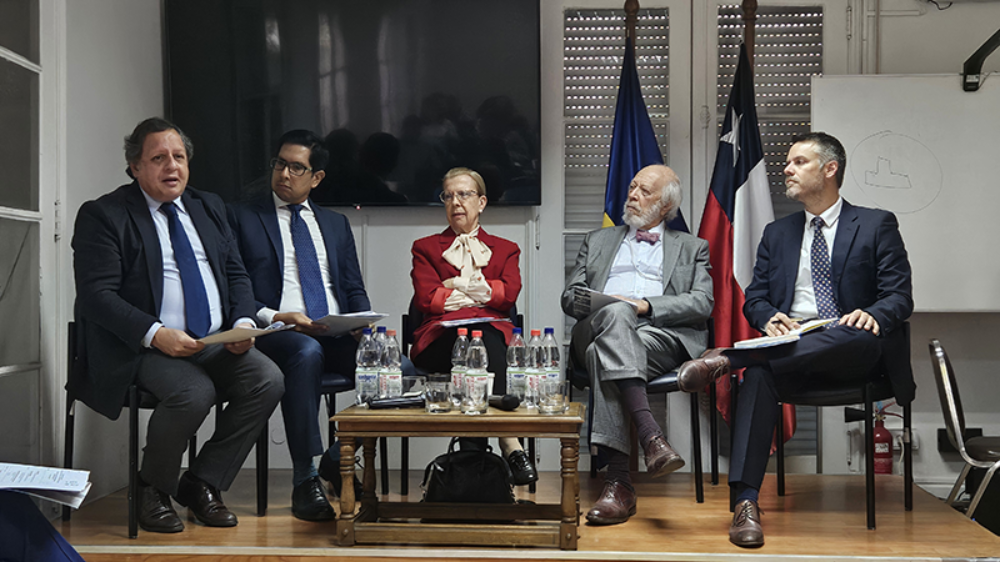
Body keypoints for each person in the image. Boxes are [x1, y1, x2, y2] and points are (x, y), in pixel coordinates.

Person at [677, 132, 913, 547]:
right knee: (761, 375)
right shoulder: (777, 233)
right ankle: (745, 503)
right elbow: (756, 299)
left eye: (799, 161)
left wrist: (872, 313)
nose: (786, 168)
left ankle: (731, 360)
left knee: (846, 334)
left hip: (854, 348)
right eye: (788, 162)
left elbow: (899, 296)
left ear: (830, 169)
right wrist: (769, 318)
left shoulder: (876, 223)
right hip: (791, 348)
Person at [69, 117, 284, 533]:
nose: (172, 166)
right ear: (135, 166)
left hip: (214, 339)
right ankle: (151, 487)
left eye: (179, 157)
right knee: (193, 391)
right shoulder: (105, 215)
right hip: (139, 346)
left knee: (267, 378)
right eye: (159, 158)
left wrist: (241, 323)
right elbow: (96, 296)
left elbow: (237, 274)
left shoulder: (208, 207)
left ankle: (202, 482)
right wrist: (156, 333)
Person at [228, 129, 412, 521]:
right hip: (279, 332)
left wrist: (363, 323)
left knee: (400, 369)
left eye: (297, 167)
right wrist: (276, 317)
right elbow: (237, 288)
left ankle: (336, 456)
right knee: (306, 352)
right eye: (280, 163)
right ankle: (304, 478)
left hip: (335, 329)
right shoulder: (244, 218)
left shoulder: (335, 224)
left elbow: (352, 287)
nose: (284, 174)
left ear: (317, 177)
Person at [561, 164, 713, 525]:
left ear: (665, 206)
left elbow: (702, 303)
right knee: (615, 316)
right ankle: (651, 436)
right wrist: (608, 304)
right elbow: (570, 297)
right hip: (596, 327)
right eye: (632, 187)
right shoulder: (597, 241)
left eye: (644, 191)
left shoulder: (692, 247)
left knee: (606, 352)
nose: (632, 195)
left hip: (659, 335)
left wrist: (645, 305)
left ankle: (619, 483)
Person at [409, 167, 537, 485]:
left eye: (464, 195)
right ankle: (510, 443)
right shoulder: (425, 247)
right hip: (439, 340)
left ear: (481, 202)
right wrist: (481, 293)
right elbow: (428, 299)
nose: (455, 202)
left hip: (490, 337)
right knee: (475, 340)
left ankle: (471, 464)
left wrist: (454, 286)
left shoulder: (506, 249)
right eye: (448, 195)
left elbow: (507, 296)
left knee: (483, 340)